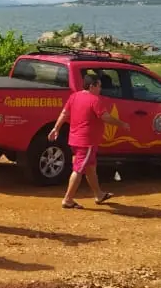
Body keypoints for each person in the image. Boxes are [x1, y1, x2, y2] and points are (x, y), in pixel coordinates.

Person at [49, 69, 129, 209]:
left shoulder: (74, 97)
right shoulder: (95, 100)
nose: (100, 88)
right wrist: (122, 124)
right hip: (86, 142)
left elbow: (64, 113)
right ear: (92, 86)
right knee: (79, 170)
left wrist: (56, 128)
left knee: (90, 168)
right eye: (99, 86)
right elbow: (105, 117)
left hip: (75, 139)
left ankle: (99, 194)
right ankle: (68, 199)